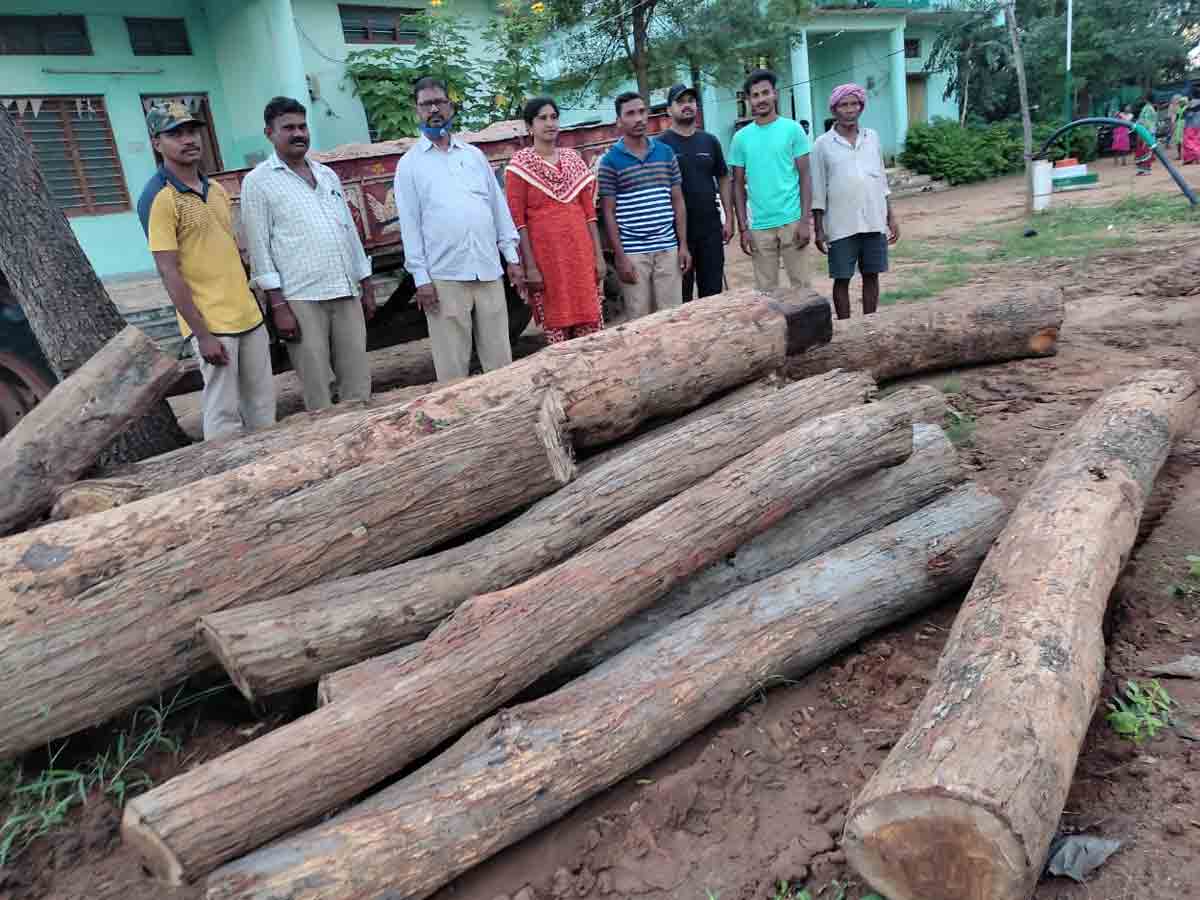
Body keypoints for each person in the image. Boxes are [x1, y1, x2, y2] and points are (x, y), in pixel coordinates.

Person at [138, 100, 275, 440]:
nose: (188, 140)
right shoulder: (159, 197)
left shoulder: (215, 190)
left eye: (192, 132)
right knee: (223, 416)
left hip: (248, 316)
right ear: (157, 143)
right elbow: (169, 271)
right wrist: (202, 334)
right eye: (175, 134)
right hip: (213, 326)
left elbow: (229, 252)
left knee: (263, 409)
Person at [240, 96, 375, 412]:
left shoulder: (327, 175)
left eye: (302, 126)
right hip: (301, 298)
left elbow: (349, 232)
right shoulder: (258, 182)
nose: (298, 133)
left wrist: (366, 285)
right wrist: (279, 306)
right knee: (318, 388)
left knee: (357, 381)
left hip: (344, 290)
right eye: (288, 128)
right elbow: (259, 249)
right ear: (269, 133)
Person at [393, 76, 525, 382]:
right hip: (444, 277)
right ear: (417, 110)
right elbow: (410, 226)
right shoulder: (410, 165)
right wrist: (421, 279)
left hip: (488, 269)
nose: (434, 109)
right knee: (452, 371)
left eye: (440, 102)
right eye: (427, 104)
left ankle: (505, 421)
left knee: (501, 363)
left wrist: (512, 259)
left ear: (450, 107)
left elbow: (497, 208)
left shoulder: (473, 156)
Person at [504, 97, 606, 343]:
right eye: (542, 118)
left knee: (589, 324)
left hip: (581, 255)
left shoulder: (573, 160)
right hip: (547, 261)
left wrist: (599, 256)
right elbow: (519, 222)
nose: (550, 123)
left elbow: (589, 214)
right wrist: (530, 266)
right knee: (558, 326)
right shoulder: (519, 167)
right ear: (530, 127)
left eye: (553, 117)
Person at [597, 92, 691, 320]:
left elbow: (677, 200)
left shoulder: (665, 153)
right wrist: (620, 257)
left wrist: (683, 245)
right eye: (630, 113)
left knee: (672, 318)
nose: (638, 118)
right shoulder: (610, 162)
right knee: (640, 321)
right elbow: (608, 213)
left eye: (642, 111)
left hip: (667, 249)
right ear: (619, 121)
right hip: (634, 254)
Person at [811, 83, 899, 320]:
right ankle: (845, 328)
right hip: (841, 224)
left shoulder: (873, 138)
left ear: (861, 107)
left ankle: (869, 325)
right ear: (834, 110)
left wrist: (891, 218)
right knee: (842, 278)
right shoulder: (822, 144)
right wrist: (819, 230)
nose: (849, 110)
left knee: (872, 274)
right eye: (843, 105)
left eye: (854, 104)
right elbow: (818, 189)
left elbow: (881, 179)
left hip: (873, 219)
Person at [730, 69, 813, 291]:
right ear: (748, 100)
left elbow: (805, 176)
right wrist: (744, 228)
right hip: (759, 226)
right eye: (755, 95)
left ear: (775, 94)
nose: (761, 99)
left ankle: (806, 328)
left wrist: (805, 220)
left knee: (802, 289)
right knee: (766, 294)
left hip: (792, 221)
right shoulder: (740, 138)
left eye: (765, 93)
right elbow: (737, 185)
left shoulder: (793, 130)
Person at [657, 84, 733, 301]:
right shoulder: (661, 146)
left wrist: (729, 218)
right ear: (669, 110)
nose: (687, 105)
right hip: (676, 235)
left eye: (690, 101)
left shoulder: (709, 141)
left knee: (713, 295)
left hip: (710, 230)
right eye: (680, 102)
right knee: (681, 299)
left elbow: (723, 177)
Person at [1135, 96, 1158, 175]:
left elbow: (1146, 122)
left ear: (1146, 99)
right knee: (1141, 151)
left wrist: (1145, 133)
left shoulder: (1148, 109)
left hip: (1145, 132)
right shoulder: (1148, 108)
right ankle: (1141, 169)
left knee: (1145, 150)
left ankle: (1145, 170)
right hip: (1144, 132)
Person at [1183, 98, 1200, 165]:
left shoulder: (1192, 103)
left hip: (1190, 126)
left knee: (1188, 143)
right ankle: (1191, 159)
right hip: (1197, 126)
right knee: (1197, 142)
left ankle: (1194, 157)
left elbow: (1189, 115)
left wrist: (1186, 111)